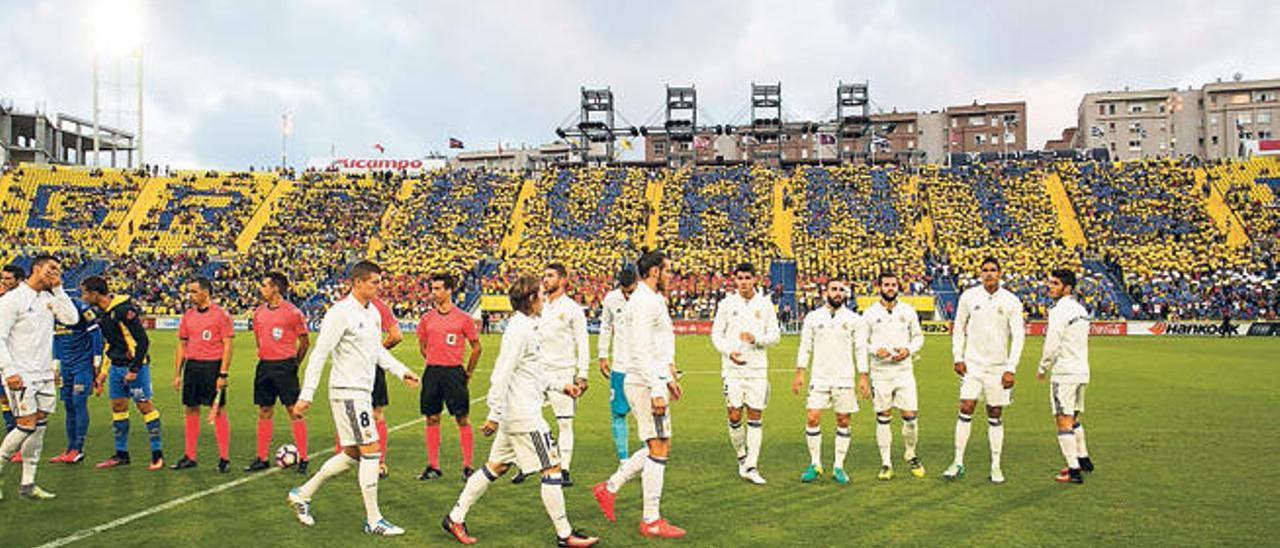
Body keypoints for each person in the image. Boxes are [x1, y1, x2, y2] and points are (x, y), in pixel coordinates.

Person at [441, 275, 598, 547]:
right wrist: (494, 412)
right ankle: (565, 534)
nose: (544, 299)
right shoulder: (520, 330)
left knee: (496, 467)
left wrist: (562, 386)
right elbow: (502, 372)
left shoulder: (528, 326)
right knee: (552, 468)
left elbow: (534, 371)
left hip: (518, 414)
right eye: (540, 294)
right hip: (523, 415)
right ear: (531, 299)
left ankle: (455, 517)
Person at [288, 260, 421, 535]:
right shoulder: (340, 313)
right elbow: (319, 353)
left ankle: (302, 493)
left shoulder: (372, 313)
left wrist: (400, 371)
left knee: (350, 455)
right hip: (348, 392)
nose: (378, 286)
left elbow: (376, 351)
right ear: (357, 282)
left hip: (361, 391)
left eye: (379, 281)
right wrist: (307, 394)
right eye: (374, 282)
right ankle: (374, 520)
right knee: (372, 451)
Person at [592, 249, 687, 539]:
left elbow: (659, 343)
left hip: (650, 378)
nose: (671, 276)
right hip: (645, 382)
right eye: (668, 270)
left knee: (660, 444)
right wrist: (657, 388)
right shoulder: (645, 302)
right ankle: (650, 519)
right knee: (658, 448)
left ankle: (610, 488)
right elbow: (641, 348)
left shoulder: (651, 300)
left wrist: (668, 375)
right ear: (655, 271)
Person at [0, 255, 77, 499]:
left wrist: (59, 289)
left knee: (39, 428)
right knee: (26, 425)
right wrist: (8, 371)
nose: (55, 273)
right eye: (51, 268)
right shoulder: (12, 300)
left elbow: (72, 319)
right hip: (21, 374)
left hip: (44, 373)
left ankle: (28, 484)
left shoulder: (50, 298)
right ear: (36, 268)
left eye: (59, 270)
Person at [944, 257, 1025, 484]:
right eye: (985, 270)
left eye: (993, 270)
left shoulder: (1011, 301)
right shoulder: (969, 296)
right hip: (973, 365)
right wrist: (958, 356)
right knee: (966, 406)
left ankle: (996, 465)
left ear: (1000, 273)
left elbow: (1018, 336)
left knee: (995, 414)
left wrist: (1011, 368)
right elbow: (958, 328)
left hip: (998, 368)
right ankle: (958, 461)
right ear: (980, 273)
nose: (989, 274)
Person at [81, 275, 165, 470]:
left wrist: (135, 368)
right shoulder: (101, 314)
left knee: (145, 407)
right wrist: (103, 373)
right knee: (118, 407)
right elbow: (110, 345)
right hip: (117, 369)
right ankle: (121, 454)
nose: (83, 297)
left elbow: (142, 341)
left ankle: (157, 454)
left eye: (85, 293)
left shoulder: (124, 310)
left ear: (94, 293)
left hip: (135, 367)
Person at [518, 263, 588, 487]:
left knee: (564, 422)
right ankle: (526, 463)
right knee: (526, 418)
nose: (545, 280)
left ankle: (564, 468)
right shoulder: (539, 306)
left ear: (564, 280)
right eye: (544, 276)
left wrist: (582, 373)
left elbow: (582, 342)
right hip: (537, 372)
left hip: (563, 371)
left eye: (550, 276)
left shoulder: (573, 309)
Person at [791, 279, 866, 485]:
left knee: (843, 420)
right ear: (825, 292)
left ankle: (838, 466)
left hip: (844, 378)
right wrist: (799, 373)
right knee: (813, 417)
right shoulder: (813, 318)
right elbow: (805, 346)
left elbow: (860, 349)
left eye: (841, 290)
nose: (838, 293)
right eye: (834, 289)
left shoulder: (854, 319)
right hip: (819, 377)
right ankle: (815, 464)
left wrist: (863, 376)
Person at [711, 262, 780, 485]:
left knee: (755, 416)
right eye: (739, 278)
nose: (743, 282)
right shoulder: (726, 304)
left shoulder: (765, 305)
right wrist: (728, 351)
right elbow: (716, 335)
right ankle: (741, 455)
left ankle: (752, 465)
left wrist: (756, 339)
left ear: (755, 279)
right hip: (732, 370)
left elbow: (775, 335)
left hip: (757, 370)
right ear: (735, 280)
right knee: (734, 415)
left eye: (747, 278)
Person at [416, 273, 482, 482]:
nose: (433, 293)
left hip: (454, 372)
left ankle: (468, 466)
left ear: (449, 290)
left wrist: (468, 372)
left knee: (461, 418)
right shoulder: (426, 318)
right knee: (432, 417)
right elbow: (422, 346)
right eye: (432, 289)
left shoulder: (463, 318)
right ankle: (433, 465)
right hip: (433, 372)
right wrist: (435, 359)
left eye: (437, 289)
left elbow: (476, 348)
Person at [861, 271, 925, 481]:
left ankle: (911, 453)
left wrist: (908, 350)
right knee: (883, 417)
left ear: (899, 287)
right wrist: (875, 350)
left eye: (893, 285)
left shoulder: (908, 310)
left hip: (904, 371)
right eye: (886, 284)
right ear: (879, 287)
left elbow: (918, 337)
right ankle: (886, 462)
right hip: (881, 372)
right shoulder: (870, 313)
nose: (890, 288)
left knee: (910, 418)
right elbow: (862, 342)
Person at [245, 272, 311, 474]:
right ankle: (262, 457)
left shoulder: (293, 313)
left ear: (275, 288)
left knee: (294, 411)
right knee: (264, 411)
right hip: (265, 366)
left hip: (285, 367)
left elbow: (305, 342)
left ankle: (304, 458)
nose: (261, 289)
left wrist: (294, 363)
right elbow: (259, 339)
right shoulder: (258, 313)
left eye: (264, 285)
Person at [171, 278, 235, 473]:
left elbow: (228, 346)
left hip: (212, 367)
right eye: (189, 292)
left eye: (194, 291)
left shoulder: (221, 315)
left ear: (205, 292)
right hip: (193, 367)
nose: (190, 296)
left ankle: (224, 458)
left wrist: (222, 373)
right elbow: (182, 346)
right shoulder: (188, 316)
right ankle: (190, 456)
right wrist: (177, 374)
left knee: (218, 411)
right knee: (191, 410)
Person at [1037, 269, 1094, 484]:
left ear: (1067, 288)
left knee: (1063, 421)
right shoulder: (1081, 310)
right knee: (1073, 418)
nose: (1049, 287)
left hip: (1065, 373)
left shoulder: (1058, 311)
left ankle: (1073, 470)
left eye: (1055, 283)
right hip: (1082, 371)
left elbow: (1052, 343)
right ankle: (1083, 459)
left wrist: (1043, 367)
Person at [49, 295, 104, 464]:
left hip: (83, 364)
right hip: (66, 365)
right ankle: (70, 448)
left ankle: (79, 448)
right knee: (68, 405)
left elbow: (96, 334)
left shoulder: (80, 308)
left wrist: (96, 361)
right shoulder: (52, 310)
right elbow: (56, 339)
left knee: (78, 402)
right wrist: (55, 366)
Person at [598, 267, 639, 462]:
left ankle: (651, 454)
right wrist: (602, 355)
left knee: (646, 414)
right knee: (618, 413)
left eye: (630, 291)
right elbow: (605, 326)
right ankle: (624, 459)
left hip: (641, 366)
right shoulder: (611, 299)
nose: (626, 295)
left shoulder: (647, 299)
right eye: (623, 290)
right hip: (620, 366)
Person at [0, 264, 26, 435]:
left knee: (19, 400)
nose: (4, 282)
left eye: (8, 278)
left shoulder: (24, 301)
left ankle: (21, 435)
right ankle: (12, 433)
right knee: (3, 398)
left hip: (17, 358)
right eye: (3, 278)